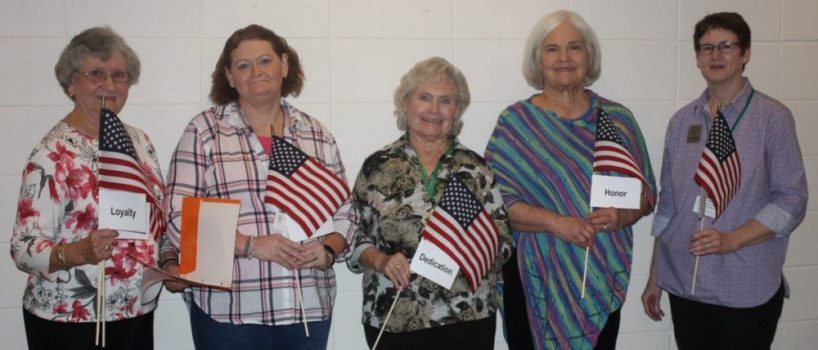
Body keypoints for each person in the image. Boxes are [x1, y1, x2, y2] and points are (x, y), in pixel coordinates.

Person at [159, 24, 354, 349]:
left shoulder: (316, 134)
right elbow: (179, 219)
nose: (256, 72)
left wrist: (329, 250)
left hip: (307, 308)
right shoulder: (204, 132)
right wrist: (250, 244)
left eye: (265, 61)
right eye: (243, 65)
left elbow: (346, 215)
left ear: (285, 65)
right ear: (229, 76)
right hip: (230, 313)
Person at [484, 10, 657, 349]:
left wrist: (624, 215)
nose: (564, 57)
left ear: (589, 56)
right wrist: (555, 222)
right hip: (533, 278)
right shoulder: (516, 123)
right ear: (538, 59)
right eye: (552, 49)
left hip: (598, 278)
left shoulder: (618, 120)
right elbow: (495, 204)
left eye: (574, 47)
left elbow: (646, 193)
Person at [641, 12, 808, 350]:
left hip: (745, 285)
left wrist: (732, 240)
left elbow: (792, 201)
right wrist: (655, 278)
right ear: (697, 59)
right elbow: (669, 206)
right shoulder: (681, 122)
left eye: (726, 46)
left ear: (745, 54)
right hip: (686, 282)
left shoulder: (773, 118)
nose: (715, 55)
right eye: (706, 48)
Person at [10, 27, 162, 349]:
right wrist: (79, 252)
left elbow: (158, 219)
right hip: (68, 320)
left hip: (134, 311)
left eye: (119, 75)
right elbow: (23, 249)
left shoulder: (140, 143)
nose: (109, 85)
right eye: (96, 73)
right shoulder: (51, 154)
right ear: (70, 83)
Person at [347, 57, 513, 350]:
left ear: (457, 110)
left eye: (445, 100)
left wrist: (464, 252)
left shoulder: (476, 169)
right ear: (405, 102)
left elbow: (503, 243)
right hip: (394, 317)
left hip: (468, 317)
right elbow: (353, 239)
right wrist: (382, 260)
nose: (434, 110)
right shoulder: (377, 167)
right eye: (425, 97)